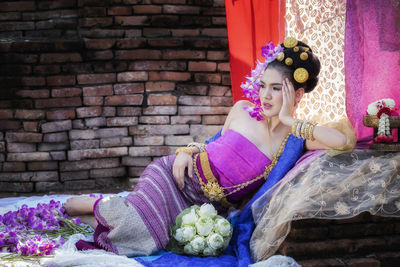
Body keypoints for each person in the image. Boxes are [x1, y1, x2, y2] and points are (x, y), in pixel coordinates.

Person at [64, 37, 347, 257]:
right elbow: (212, 144)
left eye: (277, 88)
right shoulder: (243, 109)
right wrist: (186, 151)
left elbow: (343, 142)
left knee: (150, 243)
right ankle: (83, 205)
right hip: (175, 177)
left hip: (205, 207)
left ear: (297, 93)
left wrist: (288, 119)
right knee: (139, 228)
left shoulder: (294, 138)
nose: (265, 95)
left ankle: (105, 211)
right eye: (263, 86)